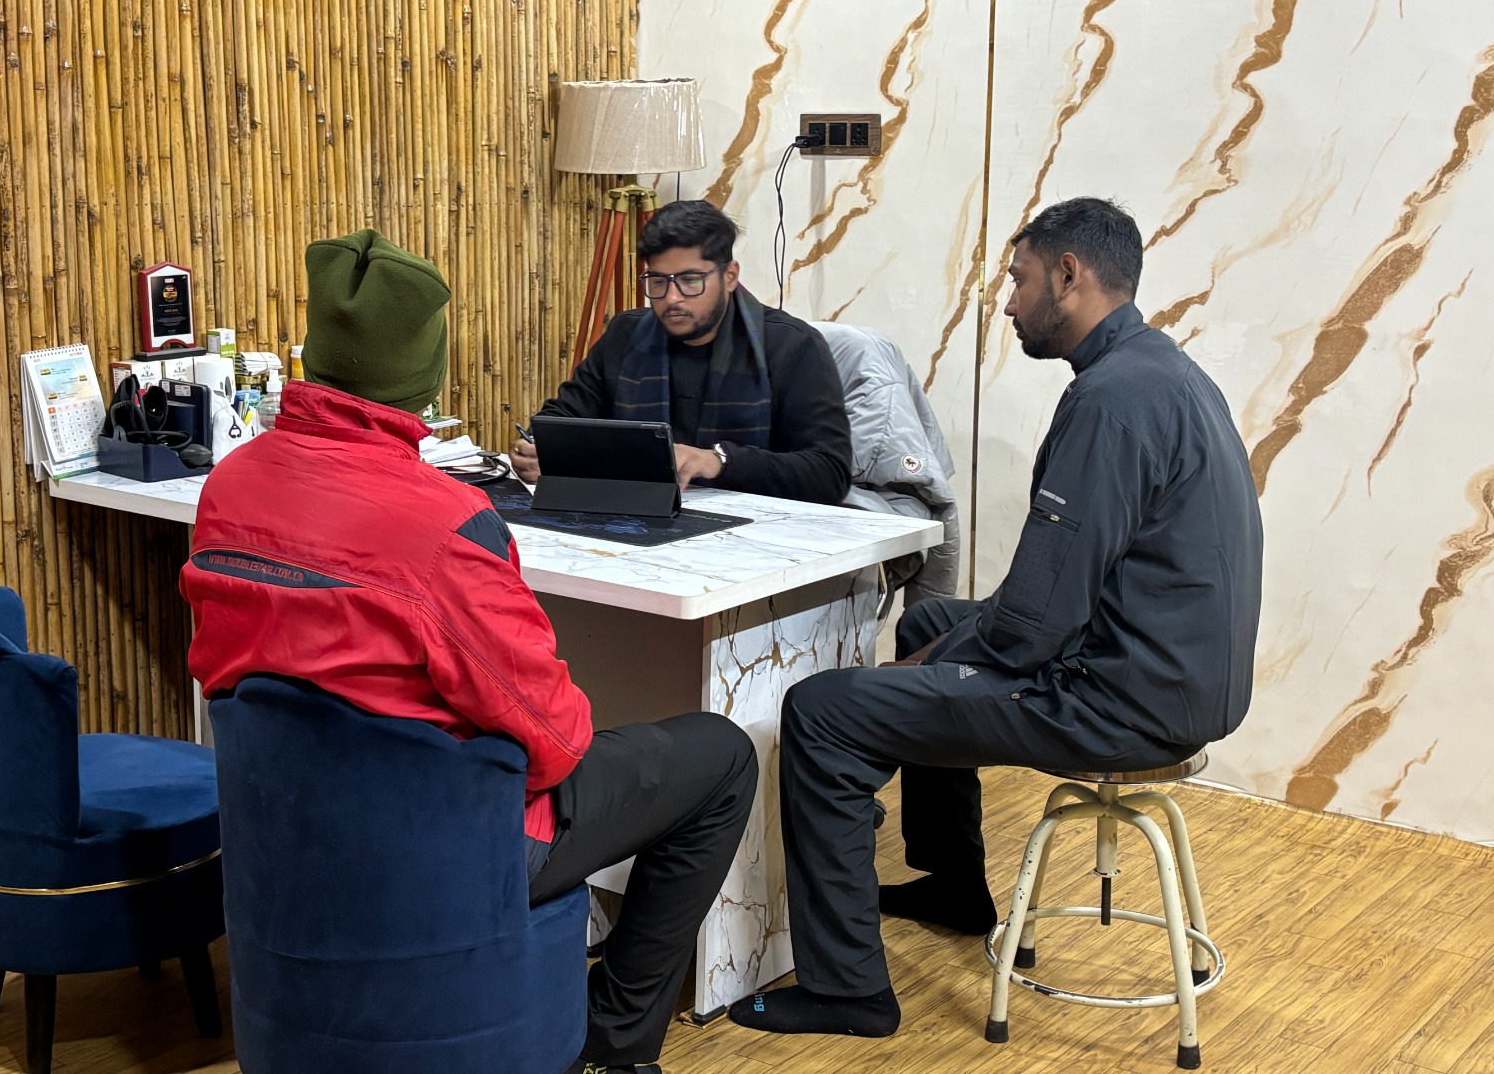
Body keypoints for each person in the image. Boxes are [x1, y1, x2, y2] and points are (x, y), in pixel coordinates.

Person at [181, 229, 759, 1074]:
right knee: (721, 756)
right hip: (453, 849)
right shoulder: (443, 523)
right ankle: (615, 1042)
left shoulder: (228, 486)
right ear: (424, 375)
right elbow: (556, 742)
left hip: (289, 834)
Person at [729, 197, 1264, 1038]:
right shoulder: (1169, 372)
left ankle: (847, 992)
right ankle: (954, 885)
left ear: (1068, 276)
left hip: (1121, 699)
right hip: (1183, 676)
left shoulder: (1108, 403)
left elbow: (1034, 625)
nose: (1008, 302)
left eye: (1017, 281)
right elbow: (1045, 606)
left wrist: (915, 674)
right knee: (925, 620)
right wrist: (935, 649)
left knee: (825, 710)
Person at [509, 199, 852, 504]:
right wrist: (543, 449)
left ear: (730, 276)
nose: (672, 298)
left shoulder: (791, 345)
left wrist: (718, 462)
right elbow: (565, 418)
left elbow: (828, 474)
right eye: (658, 282)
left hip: (761, 539)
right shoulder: (627, 335)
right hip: (639, 517)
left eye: (690, 280)